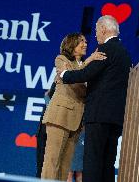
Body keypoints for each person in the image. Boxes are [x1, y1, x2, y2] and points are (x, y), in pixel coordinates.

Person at [59, 15, 132, 182]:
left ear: (104, 29)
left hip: (99, 115)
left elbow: (86, 74)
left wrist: (64, 74)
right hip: (116, 118)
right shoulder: (125, 54)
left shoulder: (105, 49)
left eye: (97, 30)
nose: (96, 35)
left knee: (92, 161)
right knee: (107, 163)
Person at [41, 32, 106, 181]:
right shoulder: (62, 59)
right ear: (71, 45)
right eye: (80, 42)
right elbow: (73, 78)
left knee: (65, 164)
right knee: (52, 161)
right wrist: (89, 60)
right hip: (59, 117)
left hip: (76, 121)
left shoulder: (82, 66)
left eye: (85, 41)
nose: (85, 44)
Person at [35, 82, 56, 178]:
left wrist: (47, 97)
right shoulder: (57, 81)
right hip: (43, 132)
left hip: (53, 133)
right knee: (41, 167)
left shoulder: (64, 81)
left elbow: (54, 106)